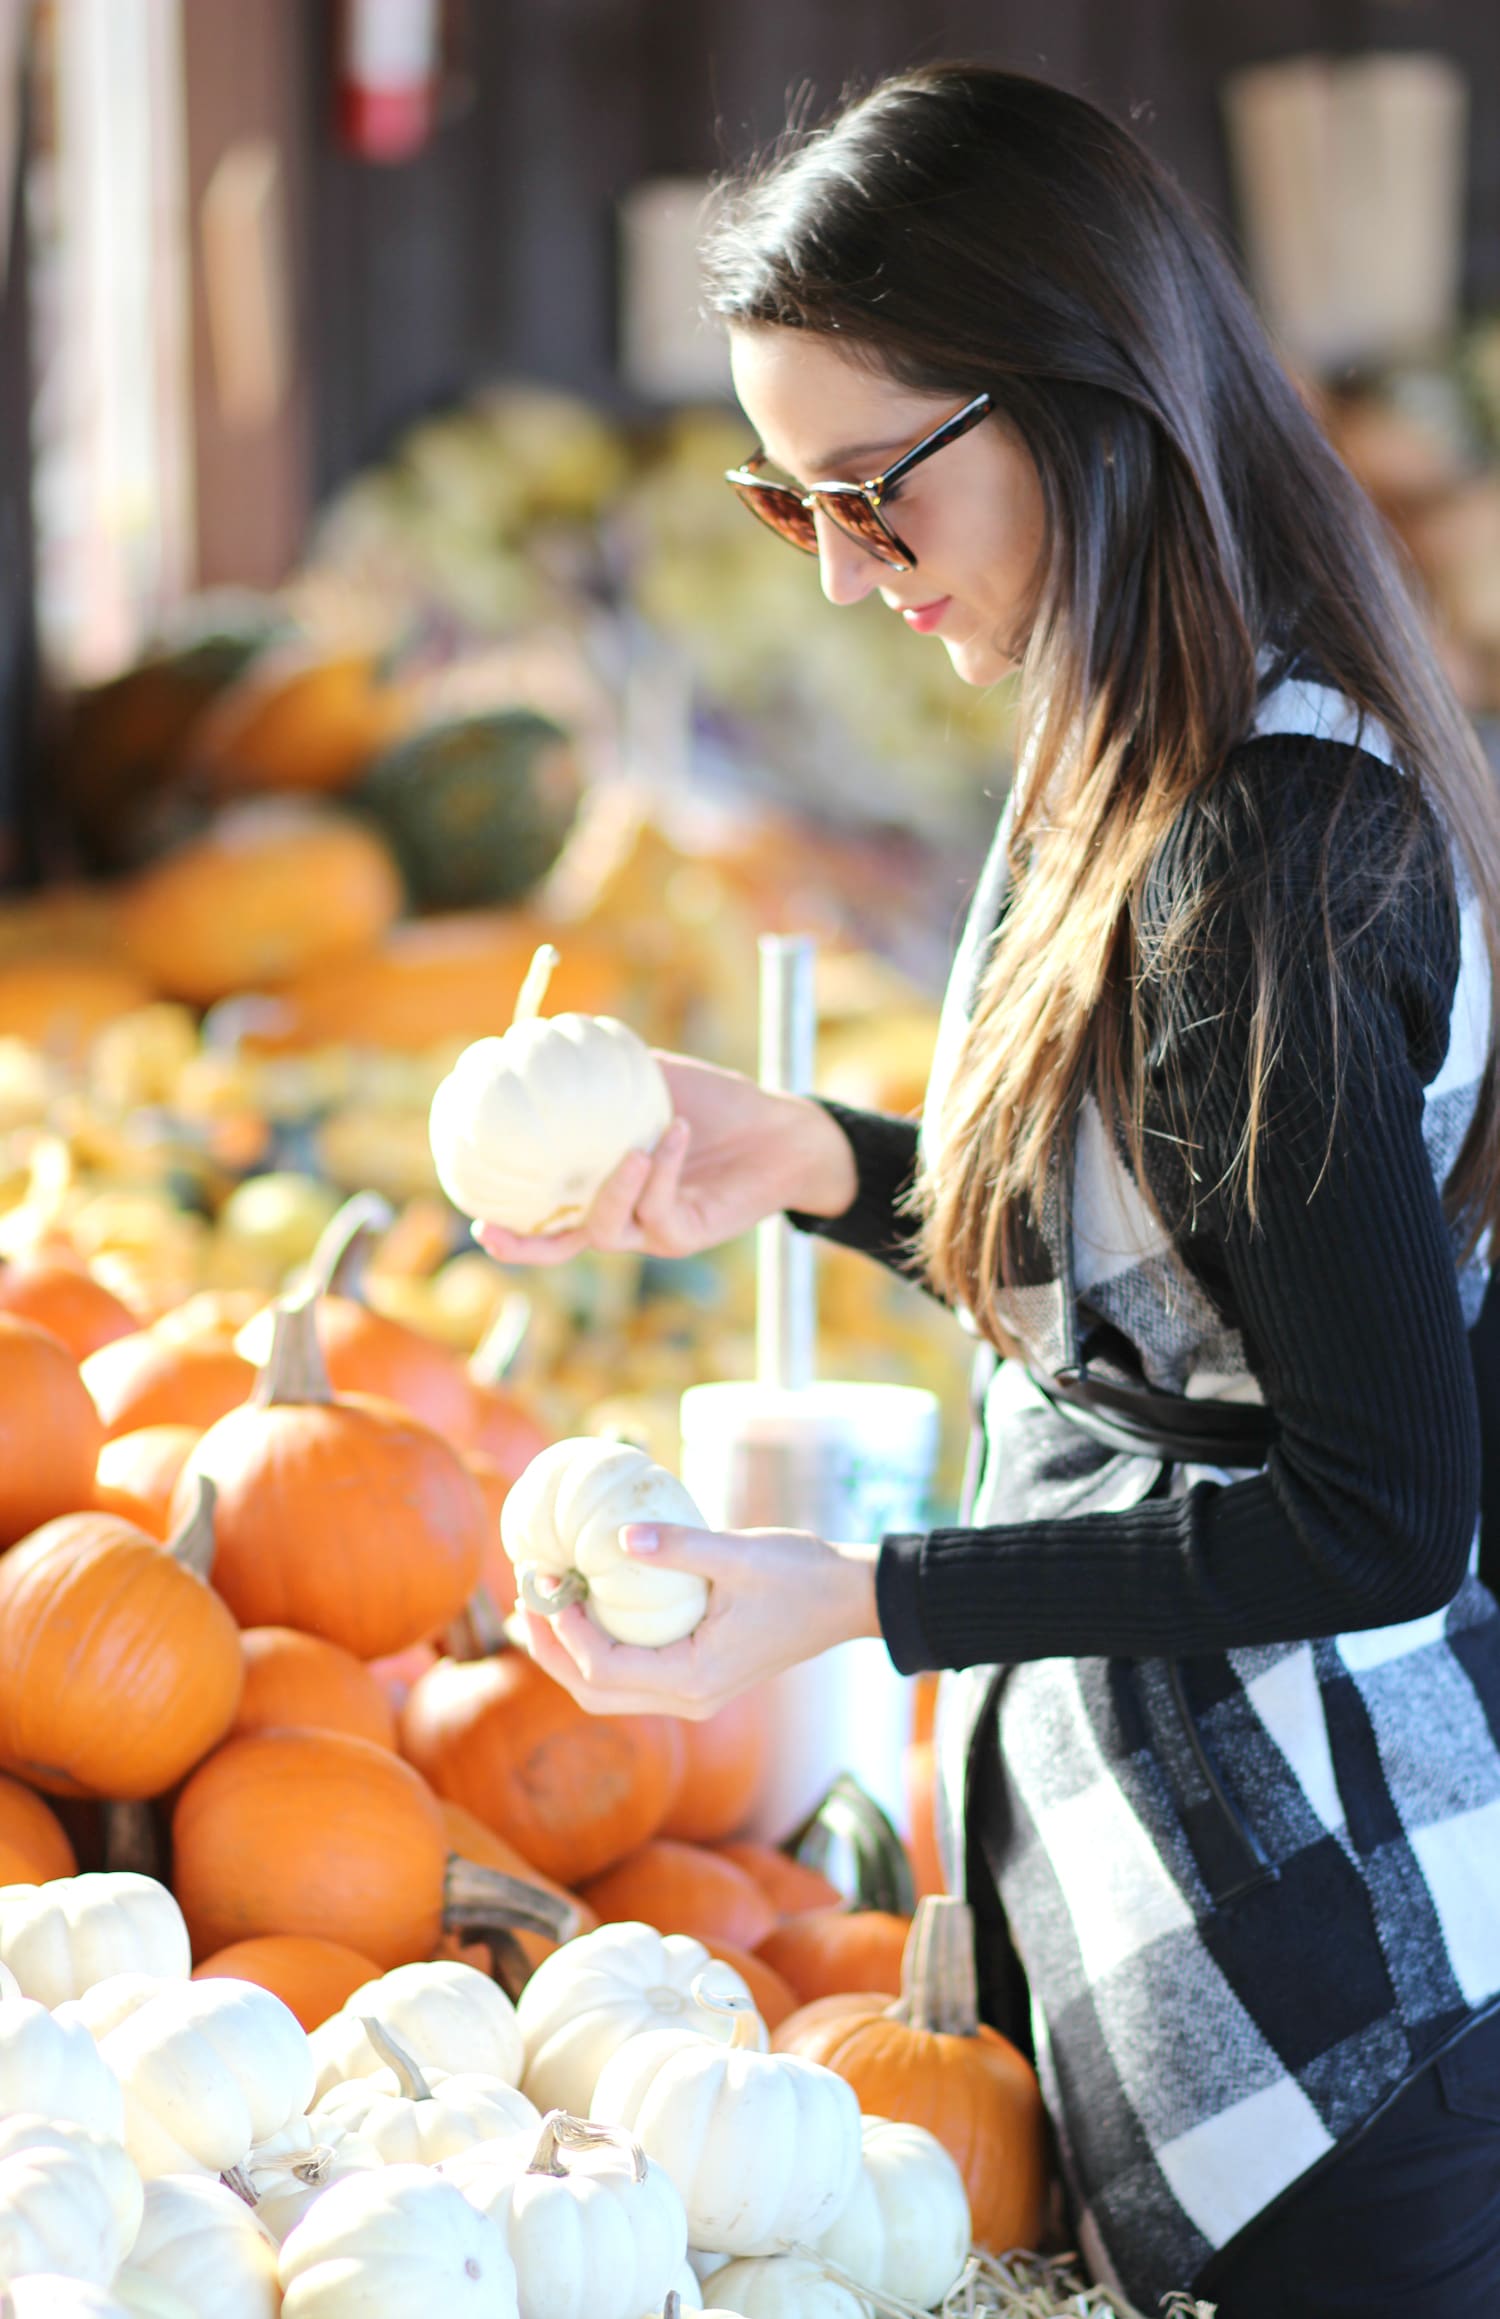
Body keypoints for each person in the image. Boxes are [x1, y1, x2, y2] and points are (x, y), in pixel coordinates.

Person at [477, 64, 1500, 2316]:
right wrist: (816, 1160)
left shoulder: (1261, 849)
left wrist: (855, 1596)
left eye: (872, 490)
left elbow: (1382, 1510)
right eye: (786, 504)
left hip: (1326, 1985)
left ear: (1084, 395)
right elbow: (1196, 1286)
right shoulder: (1165, 725)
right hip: (1215, 1921)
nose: (847, 569)